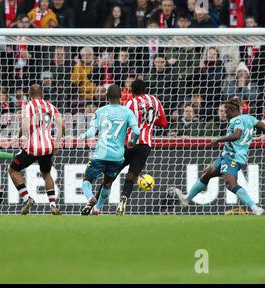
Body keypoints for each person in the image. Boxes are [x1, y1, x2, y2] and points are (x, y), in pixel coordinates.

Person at [171, 98, 265, 216]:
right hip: (227, 156)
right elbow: (262, 126)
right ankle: (186, 198)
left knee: (230, 184)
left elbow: (237, 134)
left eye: (226, 111)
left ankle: (255, 208)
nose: (225, 114)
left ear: (232, 109)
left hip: (233, 157)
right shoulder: (250, 118)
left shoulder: (236, 120)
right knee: (208, 172)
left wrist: (218, 140)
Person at [92, 80, 168, 215]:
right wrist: (147, 122)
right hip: (145, 145)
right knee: (132, 175)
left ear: (131, 91)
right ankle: (124, 199)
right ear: (146, 88)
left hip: (128, 144)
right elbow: (163, 122)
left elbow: (122, 124)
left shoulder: (129, 103)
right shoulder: (155, 101)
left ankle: (95, 206)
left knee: (110, 176)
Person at [79, 84, 140, 215]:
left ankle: (90, 198)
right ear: (121, 96)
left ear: (107, 97)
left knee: (86, 181)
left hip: (101, 154)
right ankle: (97, 209)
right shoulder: (127, 112)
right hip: (117, 157)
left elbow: (91, 132)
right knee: (107, 183)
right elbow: (137, 131)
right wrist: (133, 142)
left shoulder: (100, 111)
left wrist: (82, 136)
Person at [8, 84, 65, 215]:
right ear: (43, 94)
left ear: (29, 95)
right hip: (48, 147)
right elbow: (62, 125)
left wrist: (19, 135)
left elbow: (27, 125)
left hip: (33, 148)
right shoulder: (51, 106)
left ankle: (27, 199)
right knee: (46, 174)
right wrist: (56, 143)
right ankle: (53, 205)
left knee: (13, 170)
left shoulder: (29, 106)